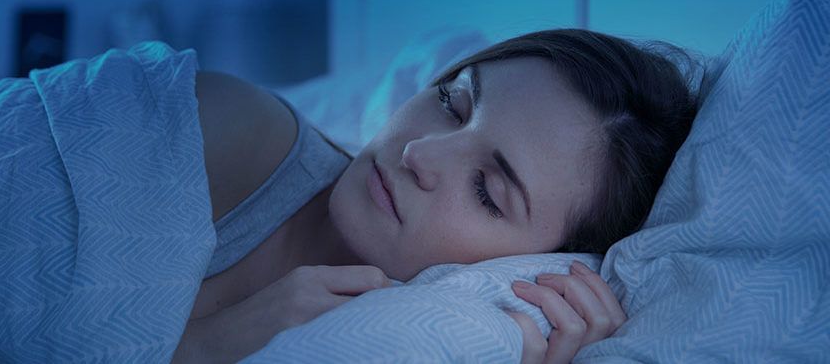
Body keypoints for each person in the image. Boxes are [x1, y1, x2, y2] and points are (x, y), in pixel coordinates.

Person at [173, 28, 700, 363]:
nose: (418, 154)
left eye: (486, 191)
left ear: (539, 263)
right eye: (453, 103)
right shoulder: (215, 128)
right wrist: (206, 345)